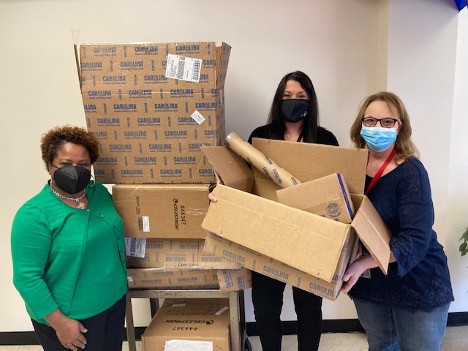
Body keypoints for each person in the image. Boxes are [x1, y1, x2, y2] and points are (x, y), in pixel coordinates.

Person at [210, 71, 339, 350]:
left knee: (309, 308)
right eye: (287, 96)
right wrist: (219, 190)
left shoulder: (326, 140)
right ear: (278, 100)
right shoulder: (261, 137)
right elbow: (241, 179)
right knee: (266, 309)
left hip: (311, 236)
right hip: (267, 235)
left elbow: (337, 191)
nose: (293, 101)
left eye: (301, 96)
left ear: (310, 101)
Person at [341, 92, 454, 350]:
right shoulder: (350, 167)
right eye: (370, 121)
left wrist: (362, 264)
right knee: (381, 345)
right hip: (372, 283)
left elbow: (415, 240)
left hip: (416, 280)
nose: (377, 127)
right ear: (360, 125)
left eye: (386, 122)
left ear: (399, 127)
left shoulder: (411, 172)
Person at [11, 126, 128, 351]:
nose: (75, 170)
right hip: (72, 318)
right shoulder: (34, 215)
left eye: (83, 164)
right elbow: (26, 278)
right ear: (49, 165)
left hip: (112, 303)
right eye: (65, 164)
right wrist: (60, 324)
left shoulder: (99, 194)